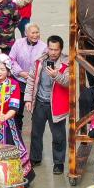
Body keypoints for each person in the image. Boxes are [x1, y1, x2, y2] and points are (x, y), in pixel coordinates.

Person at [24, 35, 70, 175]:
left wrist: (57, 75)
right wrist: (28, 99)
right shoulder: (40, 62)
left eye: (56, 49)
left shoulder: (66, 63)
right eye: (51, 49)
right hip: (40, 103)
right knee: (36, 133)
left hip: (56, 105)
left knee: (58, 136)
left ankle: (58, 163)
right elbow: (31, 80)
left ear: (61, 49)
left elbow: (68, 82)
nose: (53, 52)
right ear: (47, 48)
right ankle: (35, 158)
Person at [8, 23, 46, 134]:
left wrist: (34, 75)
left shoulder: (44, 47)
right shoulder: (18, 43)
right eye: (32, 33)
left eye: (37, 32)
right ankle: (16, 132)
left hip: (36, 83)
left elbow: (45, 64)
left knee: (36, 111)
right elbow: (11, 59)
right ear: (26, 33)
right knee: (17, 110)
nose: (35, 35)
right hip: (19, 80)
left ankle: (37, 133)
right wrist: (20, 72)